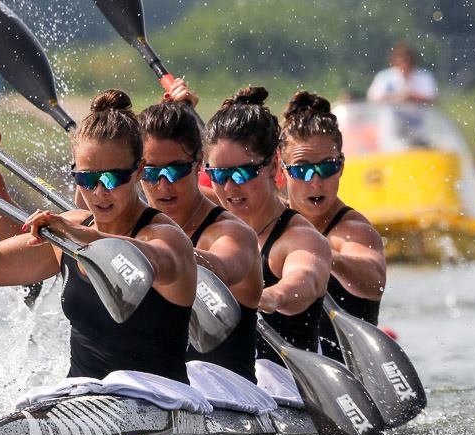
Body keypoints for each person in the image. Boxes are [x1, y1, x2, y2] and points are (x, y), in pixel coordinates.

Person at [0, 89, 198, 383]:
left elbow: (149, 261)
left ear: (139, 170)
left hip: (159, 398)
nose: (99, 192)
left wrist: (79, 233)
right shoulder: (68, 232)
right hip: (81, 397)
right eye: (87, 179)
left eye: (112, 178)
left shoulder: (166, 237)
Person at [138, 86, 263, 383]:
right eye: (151, 173)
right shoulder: (132, 223)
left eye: (175, 170)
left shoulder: (230, 232)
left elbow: (222, 266)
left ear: (198, 165)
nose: (163, 185)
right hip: (161, 387)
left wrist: (132, 249)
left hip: (229, 393)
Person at [203, 86, 332, 363]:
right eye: (218, 174)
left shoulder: (300, 239)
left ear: (274, 165)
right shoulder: (203, 218)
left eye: (243, 173)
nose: (228, 187)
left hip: (283, 385)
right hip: (221, 381)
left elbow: (304, 280)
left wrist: (273, 296)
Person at [280, 91, 387, 362]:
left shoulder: (353, 230)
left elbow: (373, 283)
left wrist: (325, 252)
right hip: (284, 374)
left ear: (341, 166)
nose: (316, 182)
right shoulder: (268, 215)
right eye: (302, 169)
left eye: (326, 168)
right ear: (281, 169)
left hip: (345, 378)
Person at [366, 42, 437, 104]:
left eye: (407, 61)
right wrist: (400, 97)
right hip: (389, 118)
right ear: (395, 61)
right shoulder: (384, 76)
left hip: (418, 118)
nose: (405, 64)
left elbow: (431, 98)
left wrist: (410, 97)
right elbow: (373, 98)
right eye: (402, 60)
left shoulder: (423, 76)